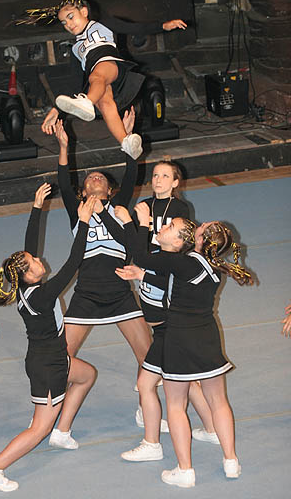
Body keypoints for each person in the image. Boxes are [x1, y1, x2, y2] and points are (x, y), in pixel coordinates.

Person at [115, 203, 253, 488]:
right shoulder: (214, 268)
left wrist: (141, 222)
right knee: (219, 401)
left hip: (179, 338)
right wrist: (143, 276)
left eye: (202, 228)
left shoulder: (183, 261)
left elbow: (142, 256)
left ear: (200, 240)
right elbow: (175, 283)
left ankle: (185, 470)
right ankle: (231, 461)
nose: (199, 226)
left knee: (176, 405)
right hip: (207, 337)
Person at [0, 184, 97, 492]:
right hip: (48, 366)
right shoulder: (42, 295)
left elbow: (28, 247)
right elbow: (73, 263)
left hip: (52, 357)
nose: (40, 260)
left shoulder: (24, 284)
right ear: (29, 275)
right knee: (39, 427)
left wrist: (36, 207)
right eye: (35, 263)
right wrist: (83, 223)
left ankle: (62, 432)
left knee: (86, 375)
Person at [16, 0, 187, 159]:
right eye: (63, 22)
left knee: (96, 77)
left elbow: (133, 28)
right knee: (106, 104)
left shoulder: (102, 24)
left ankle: (87, 102)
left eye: (71, 17)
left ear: (84, 11)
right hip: (99, 82)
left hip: (110, 66)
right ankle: (126, 143)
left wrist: (163, 26)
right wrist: (56, 110)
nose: (68, 24)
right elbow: (74, 85)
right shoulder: (75, 49)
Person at [121, 162, 219, 463]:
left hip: (169, 318)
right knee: (185, 382)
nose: (158, 180)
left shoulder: (178, 217)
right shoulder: (147, 208)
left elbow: (159, 257)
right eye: (155, 175)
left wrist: (140, 227)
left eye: (165, 175)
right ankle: (213, 429)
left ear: (176, 182)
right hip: (159, 298)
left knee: (151, 383)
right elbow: (144, 254)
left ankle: (152, 443)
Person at [54, 116, 152, 386]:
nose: (95, 177)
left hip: (119, 292)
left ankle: (145, 403)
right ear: (83, 191)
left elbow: (131, 175)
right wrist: (63, 147)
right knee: (60, 359)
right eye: (89, 178)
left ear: (110, 190)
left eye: (101, 178)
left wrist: (127, 140)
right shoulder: (78, 211)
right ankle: (55, 405)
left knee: (148, 357)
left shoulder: (118, 208)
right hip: (86, 294)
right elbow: (64, 182)